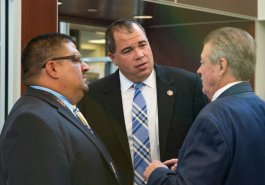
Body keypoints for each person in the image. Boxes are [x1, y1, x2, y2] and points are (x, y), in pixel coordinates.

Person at [78, 18, 208, 185]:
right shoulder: (92, 97)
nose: (139, 55)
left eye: (142, 44)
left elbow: (203, 142)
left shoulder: (187, 85)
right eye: (127, 50)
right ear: (113, 57)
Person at [144, 27, 265, 185]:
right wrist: (190, 165)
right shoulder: (260, 107)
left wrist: (157, 174)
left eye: (202, 62)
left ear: (221, 66)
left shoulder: (213, 118)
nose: (199, 70)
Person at [0, 33, 121, 185]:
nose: (85, 67)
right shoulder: (32, 121)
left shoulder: (56, 111)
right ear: (52, 68)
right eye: (76, 59)